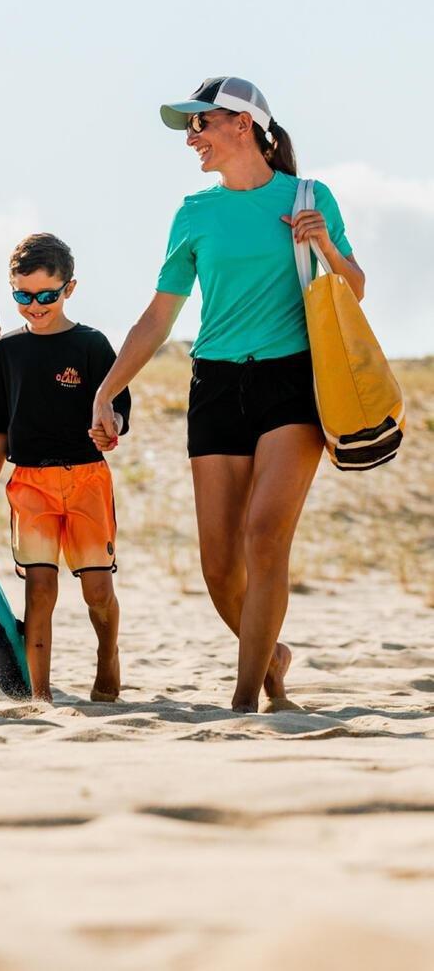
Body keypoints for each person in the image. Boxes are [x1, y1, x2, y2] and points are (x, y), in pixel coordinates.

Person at [91, 77, 365, 713]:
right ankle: (270, 656)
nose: (193, 139)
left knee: (265, 536)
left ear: (244, 124)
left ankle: (250, 698)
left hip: (291, 381)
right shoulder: (194, 213)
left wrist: (322, 243)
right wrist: (107, 390)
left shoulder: (308, 196)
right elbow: (158, 317)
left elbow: (353, 287)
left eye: (201, 125)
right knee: (218, 565)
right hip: (214, 384)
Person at [0, 233, 129, 703]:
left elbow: (118, 409)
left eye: (47, 295)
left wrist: (110, 425)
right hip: (29, 484)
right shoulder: (5, 351)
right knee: (39, 591)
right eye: (23, 295)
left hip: (86, 478)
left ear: (70, 288)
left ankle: (108, 656)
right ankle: (40, 696)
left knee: (97, 591)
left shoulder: (92, 345)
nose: (35, 305)